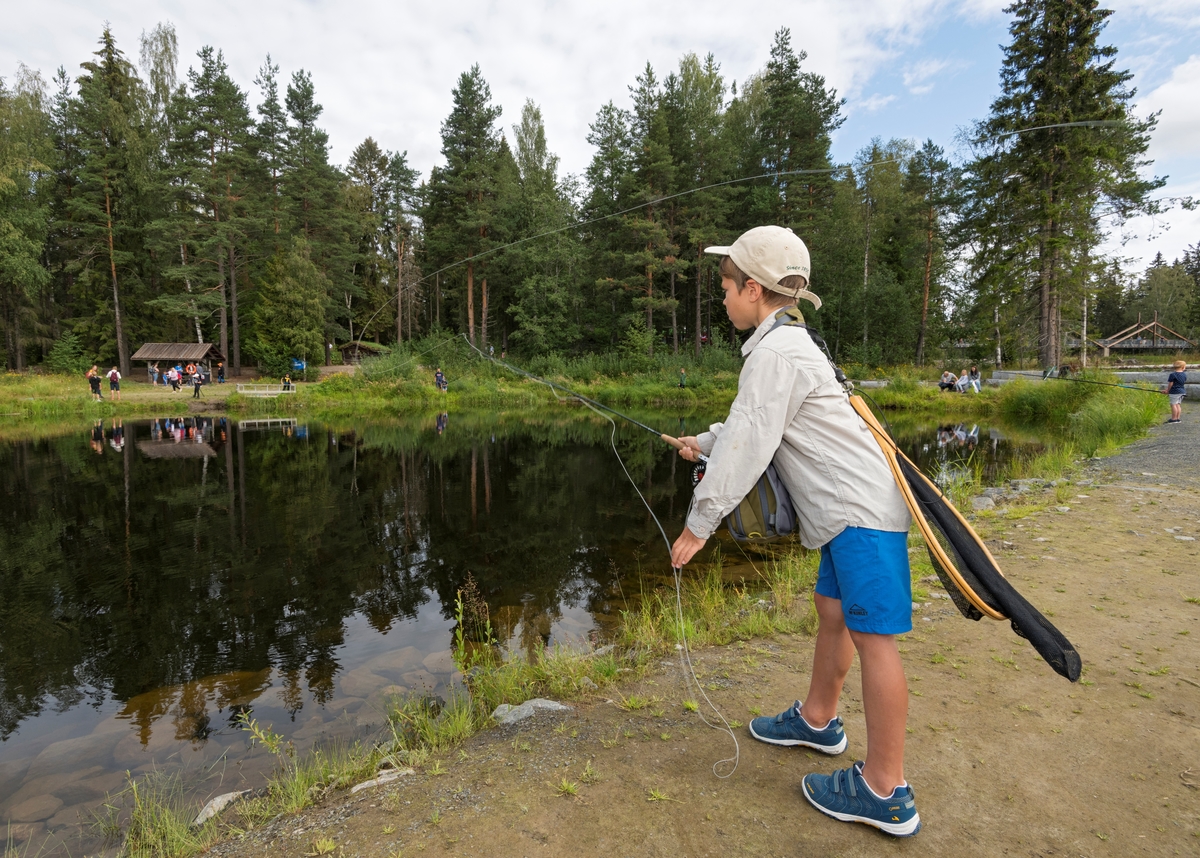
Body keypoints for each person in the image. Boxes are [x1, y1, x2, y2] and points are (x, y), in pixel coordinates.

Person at [669, 225, 920, 837]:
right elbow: (752, 425)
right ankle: (817, 720)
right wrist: (702, 442)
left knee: (875, 640)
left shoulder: (777, 353)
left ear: (752, 290)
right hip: (847, 513)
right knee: (831, 609)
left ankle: (887, 791)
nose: (721, 297)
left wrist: (699, 526)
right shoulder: (784, 344)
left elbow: (752, 444)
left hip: (860, 514)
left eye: (725, 287)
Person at [1164, 360, 1187, 424]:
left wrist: (1167, 391)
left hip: (1174, 392)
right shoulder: (1184, 375)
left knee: (1173, 404)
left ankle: (1173, 419)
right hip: (1182, 391)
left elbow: (1171, 384)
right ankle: (1177, 418)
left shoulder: (1172, 375)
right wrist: (1167, 390)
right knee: (1178, 405)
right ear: (1183, 367)